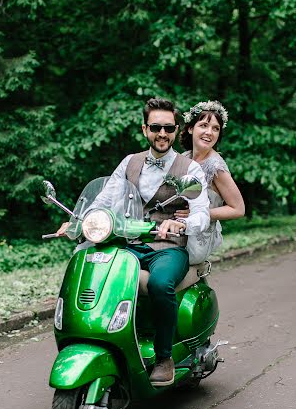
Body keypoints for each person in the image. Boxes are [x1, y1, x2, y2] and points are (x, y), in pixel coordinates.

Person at [57, 98, 210, 386]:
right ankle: (106, 337)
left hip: (167, 247)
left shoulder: (189, 169)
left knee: (159, 283)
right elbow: (104, 200)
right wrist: (79, 221)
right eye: (155, 127)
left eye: (168, 128)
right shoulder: (130, 162)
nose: (161, 134)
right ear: (145, 129)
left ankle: (164, 357)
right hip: (128, 242)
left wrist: (182, 222)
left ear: (177, 131)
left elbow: (201, 212)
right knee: (95, 270)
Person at [175, 100, 245, 264]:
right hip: (177, 229)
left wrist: (199, 214)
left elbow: (238, 209)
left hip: (196, 240)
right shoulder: (184, 158)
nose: (209, 132)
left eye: (215, 129)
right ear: (191, 128)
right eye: (204, 125)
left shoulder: (215, 167)